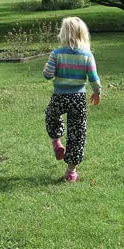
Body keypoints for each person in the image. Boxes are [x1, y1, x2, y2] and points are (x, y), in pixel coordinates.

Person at [43, 16, 101, 182]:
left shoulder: (56, 54)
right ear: (82, 34)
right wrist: (97, 92)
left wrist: (46, 69)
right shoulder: (87, 55)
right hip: (78, 99)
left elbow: (47, 75)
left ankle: (57, 142)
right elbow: (93, 77)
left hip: (59, 96)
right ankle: (71, 172)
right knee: (77, 132)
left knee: (51, 116)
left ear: (63, 34)